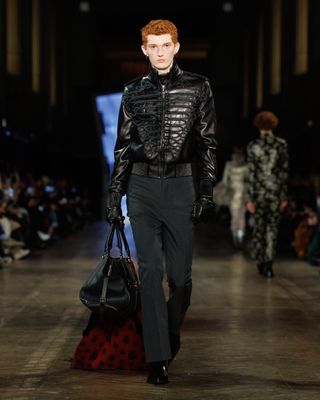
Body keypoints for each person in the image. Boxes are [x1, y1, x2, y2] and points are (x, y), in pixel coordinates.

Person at [106, 19, 217, 384]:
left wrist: (205, 191)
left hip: (182, 186)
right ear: (143, 50)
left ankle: (168, 332)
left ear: (177, 46)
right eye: (152, 46)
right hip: (142, 187)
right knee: (151, 273)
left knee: (181, 280)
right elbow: (122, 146)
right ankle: (157, 358)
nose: (159, 52)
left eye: (165, 45)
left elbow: (207, 144)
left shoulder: (198, 87)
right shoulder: (132, 91)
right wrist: (114, 195)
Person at [246, 111, 289, 278]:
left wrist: (250, 198)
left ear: (258, 125)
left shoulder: (253, 146)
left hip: (258, 194)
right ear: (273, 125)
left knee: (259, 229)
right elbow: (284, 172)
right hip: (275, 193)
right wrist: (283, 196)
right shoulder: (281, 145)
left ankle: (260, 262)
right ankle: (269, 265)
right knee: (272, 228)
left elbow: (252, 174)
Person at [219, 145, 248, 248]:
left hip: (236, 193)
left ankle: (237, 237)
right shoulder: (245, 165)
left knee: (236, 216)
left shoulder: (230, 165)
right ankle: (238, 237)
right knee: (240, 216)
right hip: (240, 193)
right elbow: (249, 181)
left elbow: (225, 181)